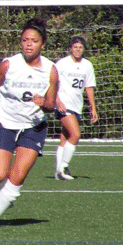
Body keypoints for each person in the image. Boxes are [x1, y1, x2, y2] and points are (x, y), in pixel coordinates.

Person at [0, 17, 59, 227]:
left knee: (18, 174)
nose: (28, 44)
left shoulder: (51, 70)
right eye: (24, 40)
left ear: (43, 44)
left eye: (33, 40)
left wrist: (44, 104)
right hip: (5, 123)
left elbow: (51, 105)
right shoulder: (8, 65)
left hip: (34, 127)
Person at [54, 36, 98, 180]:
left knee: (65, 138)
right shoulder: (62, 64)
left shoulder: (87, 65)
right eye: (75, 47)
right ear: (70, 48)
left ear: (83, 49)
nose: (78, 50)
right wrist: (56, 100)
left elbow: (89, 87)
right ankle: (64, 168)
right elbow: (51, 83)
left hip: (76, 105)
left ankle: (57, 171)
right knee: (76, 134)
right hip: (63, 105)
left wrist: (93, 107)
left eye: (80, 47)